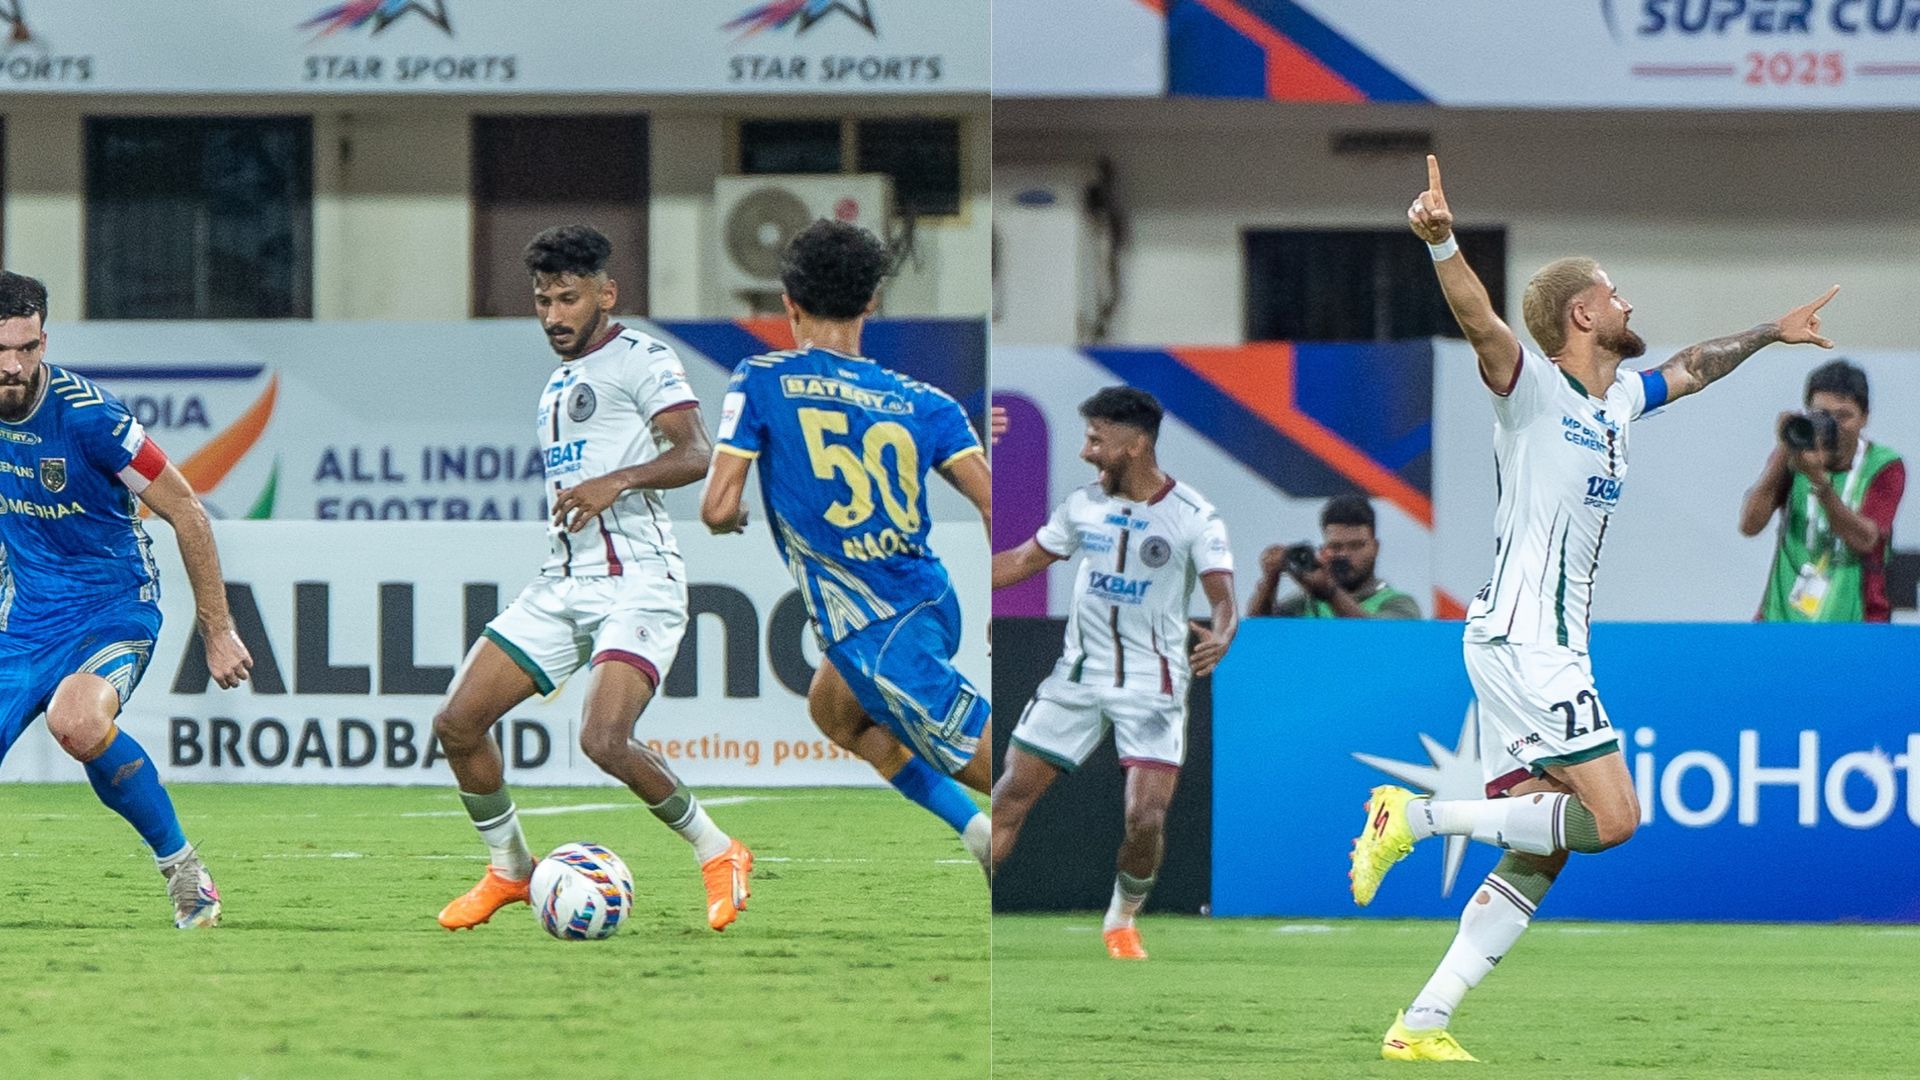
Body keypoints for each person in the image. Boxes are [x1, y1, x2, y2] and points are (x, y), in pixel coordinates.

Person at [1350, 156, 1838, 1062]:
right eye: (1614, 294)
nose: (1628, 303)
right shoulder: (1532, 389)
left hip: (1537, 644)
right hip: (1526, 640)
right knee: (1614, 819)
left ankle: (1421, 1022)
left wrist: (1772, 332)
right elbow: (1481, 321)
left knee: (1545, 844)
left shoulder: (1615, 402)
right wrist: (1443, 243)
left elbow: (1692, 367)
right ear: (1582, 314)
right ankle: (1411, 818)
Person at [433, 225, 752, 933]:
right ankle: (510, 869)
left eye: (568, 299)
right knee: (457, 723)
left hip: (639, 579)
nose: (553, 316)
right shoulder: (558, 383)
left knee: (604, 739)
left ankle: (719, 850)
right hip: (563, 582)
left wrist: (618, 481)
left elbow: (697, 452)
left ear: (606, 295)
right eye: (542, 301)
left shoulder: (643, 358)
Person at [700, 219, 995, 868]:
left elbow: (716, 506)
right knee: (837, 713)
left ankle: (1069, 817)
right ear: (872, 302)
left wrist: (730, 517)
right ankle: (977, 834)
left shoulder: (761, 377)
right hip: (926, 597)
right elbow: (991, 498)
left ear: (788, 304)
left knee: (990, 764)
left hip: (879, 621)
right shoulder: (929, 402)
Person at [0, 270, 252, 929]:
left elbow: (187, 511)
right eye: (0, 350)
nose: (13, 366)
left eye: (27, 348)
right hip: (23, 619)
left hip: (111, 606)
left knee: (77, 722)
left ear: (45, 342)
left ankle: (184, 871)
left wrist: (217, 630)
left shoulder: (93, 417)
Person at [990, 386, 1237, 960]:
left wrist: (1223, 636)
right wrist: (964, 586)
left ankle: (1121, 920)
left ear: (1135, 445)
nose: (1086, 452)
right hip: (1076, 678)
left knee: (1144, 819)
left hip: (1153, 685)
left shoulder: (1194, 516)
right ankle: (968, 916)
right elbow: (1024, 560)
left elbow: (1224, 600)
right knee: (1008, 798)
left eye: (1096, 440)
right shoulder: (1082, 506)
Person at [1740, 360, 1904, 622]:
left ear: (1864, 417)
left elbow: (1865, 540)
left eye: (1843, 416)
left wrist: (1819, 481)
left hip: (1857, 621)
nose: (1832, 426)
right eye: (1822, 415)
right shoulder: (1792, 458)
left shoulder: (1884, 465)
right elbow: (1750, 525)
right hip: (1781, 618)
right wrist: (1784, 448)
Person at [1248, 494, 1421, 619]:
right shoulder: (1305, 603)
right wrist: (1270, 581)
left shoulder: (1399, 604)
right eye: (1336, 547)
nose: (1344, 555)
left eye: (1356, 546)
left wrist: (1330, 592)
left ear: (1375, 548)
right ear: (1323, 550)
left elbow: (1375, 639)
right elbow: (1256, 635)